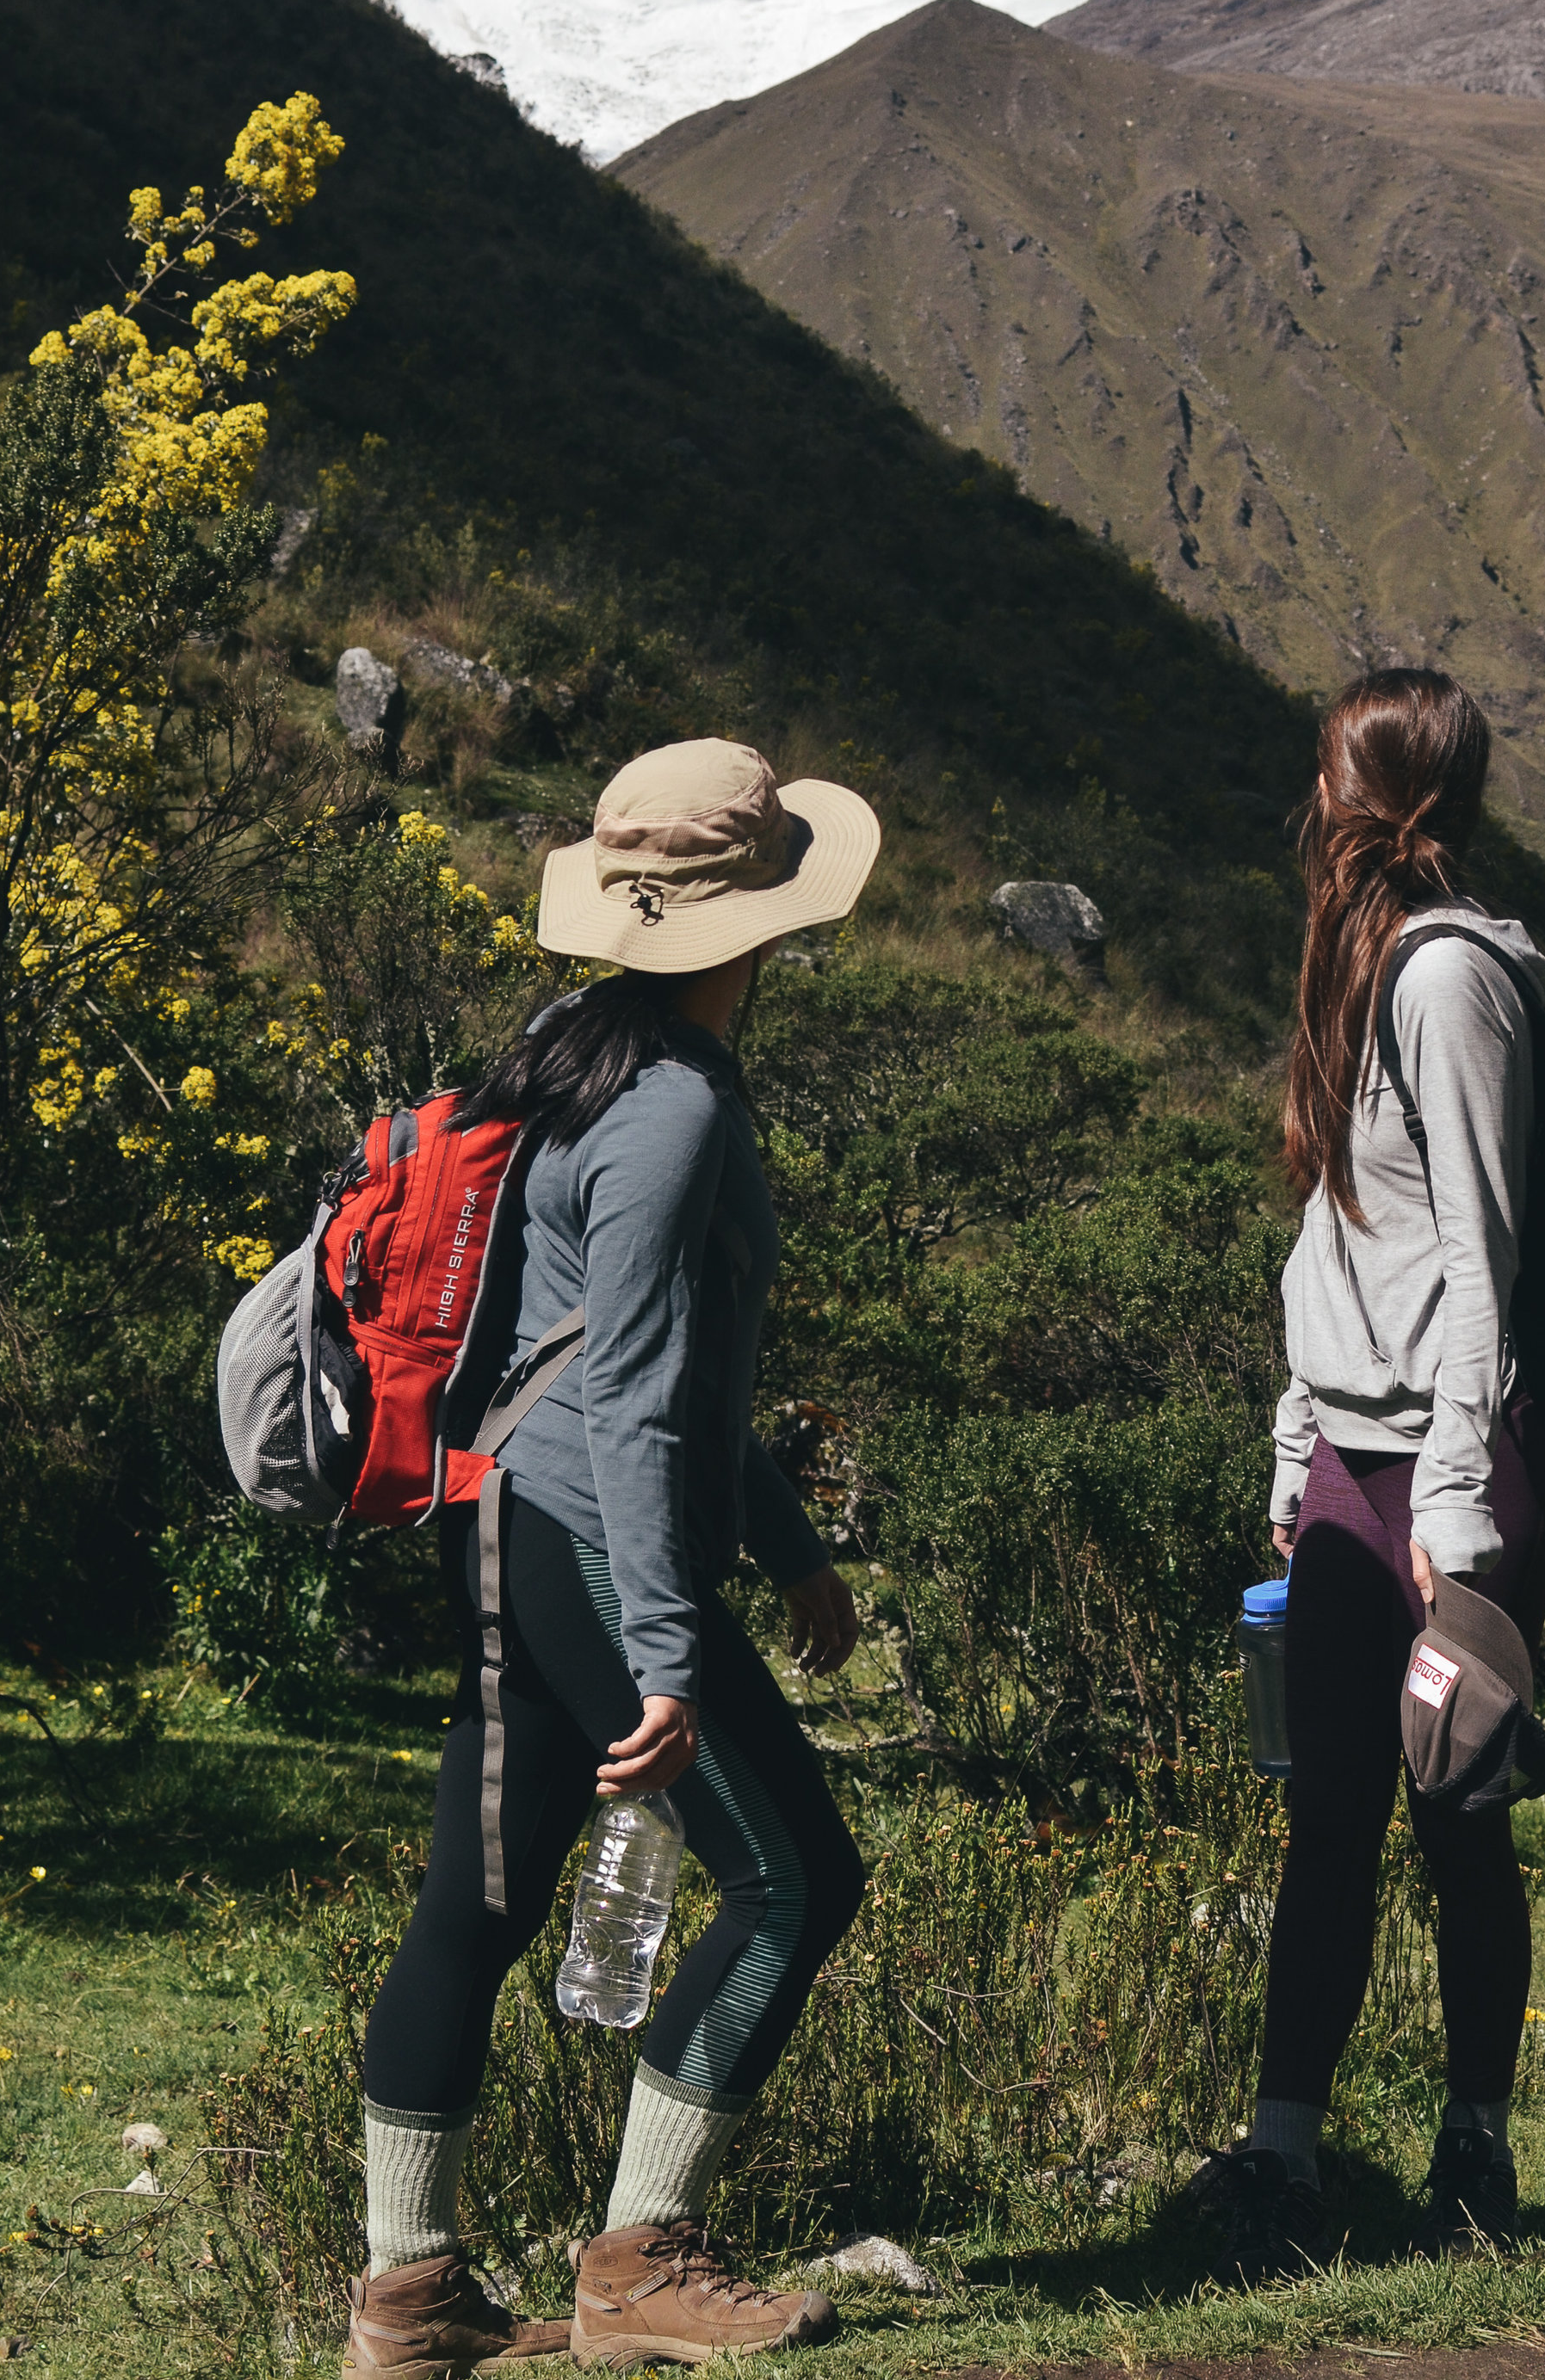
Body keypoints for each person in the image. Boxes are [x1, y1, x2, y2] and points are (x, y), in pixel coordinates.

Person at [345, 738, 880, 2377]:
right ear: (764, 925)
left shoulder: (570, 1056)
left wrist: (782, 1545)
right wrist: (667, 1646)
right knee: (798, 1880)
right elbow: (642, 1393)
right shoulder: (675, 1109)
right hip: (588, 1532)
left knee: (482, 1899)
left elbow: (606, 1350)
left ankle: (410, 2301)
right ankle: (640, 2264)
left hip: (501, 1508)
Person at [1194, 669, 1545, 2284]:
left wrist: (1456, 1506)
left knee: (1455, 1811)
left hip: (1448, 1464)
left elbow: (1477, 1257)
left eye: (1333, 770)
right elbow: (1344, 1232)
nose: (1316, 797)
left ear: (1374, 792)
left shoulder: (1447, 984)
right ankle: (1286, 2155)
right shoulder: (1360, 970)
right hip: (1357, 1455)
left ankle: (1474, 2157)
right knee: (1332, 1815)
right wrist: (1298, 1440)